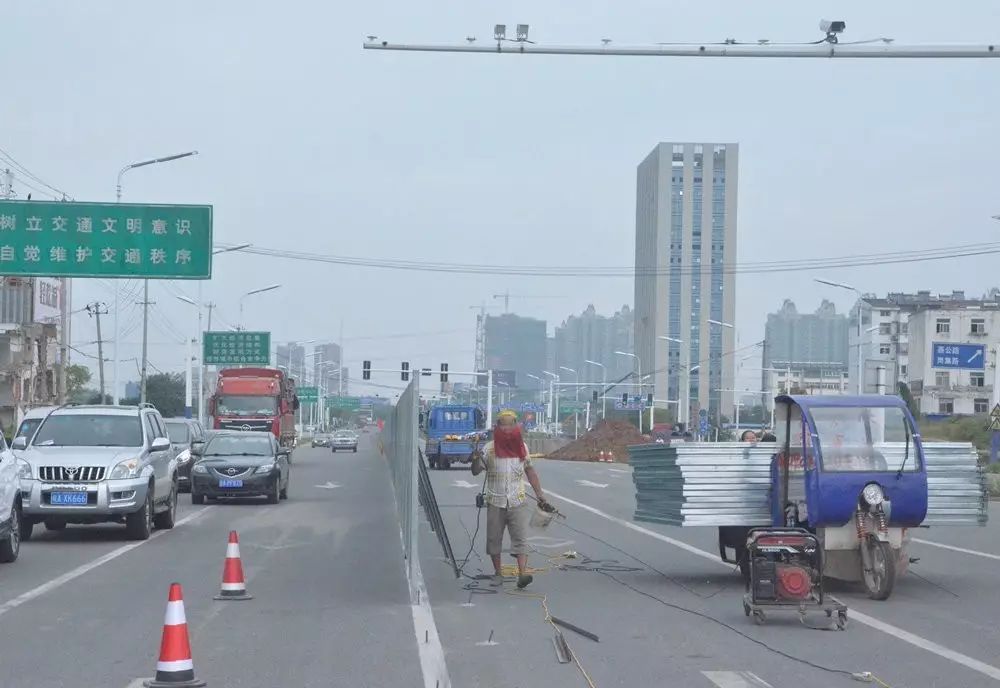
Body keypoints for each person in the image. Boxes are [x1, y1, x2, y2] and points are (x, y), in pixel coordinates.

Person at [477, 410, 547, 589]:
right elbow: (476, 470)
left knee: (520, 538)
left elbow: (530, 470)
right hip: (495, 500)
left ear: (516, 426)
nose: (507, 428)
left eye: (511, 424)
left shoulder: (522, 447)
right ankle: (498, 573)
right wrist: (475, 459)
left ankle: (523, 574)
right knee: (494, 539)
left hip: (517, 499)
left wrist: (540, 495)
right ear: (498, 427)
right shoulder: (489, 449)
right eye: (504, 424)